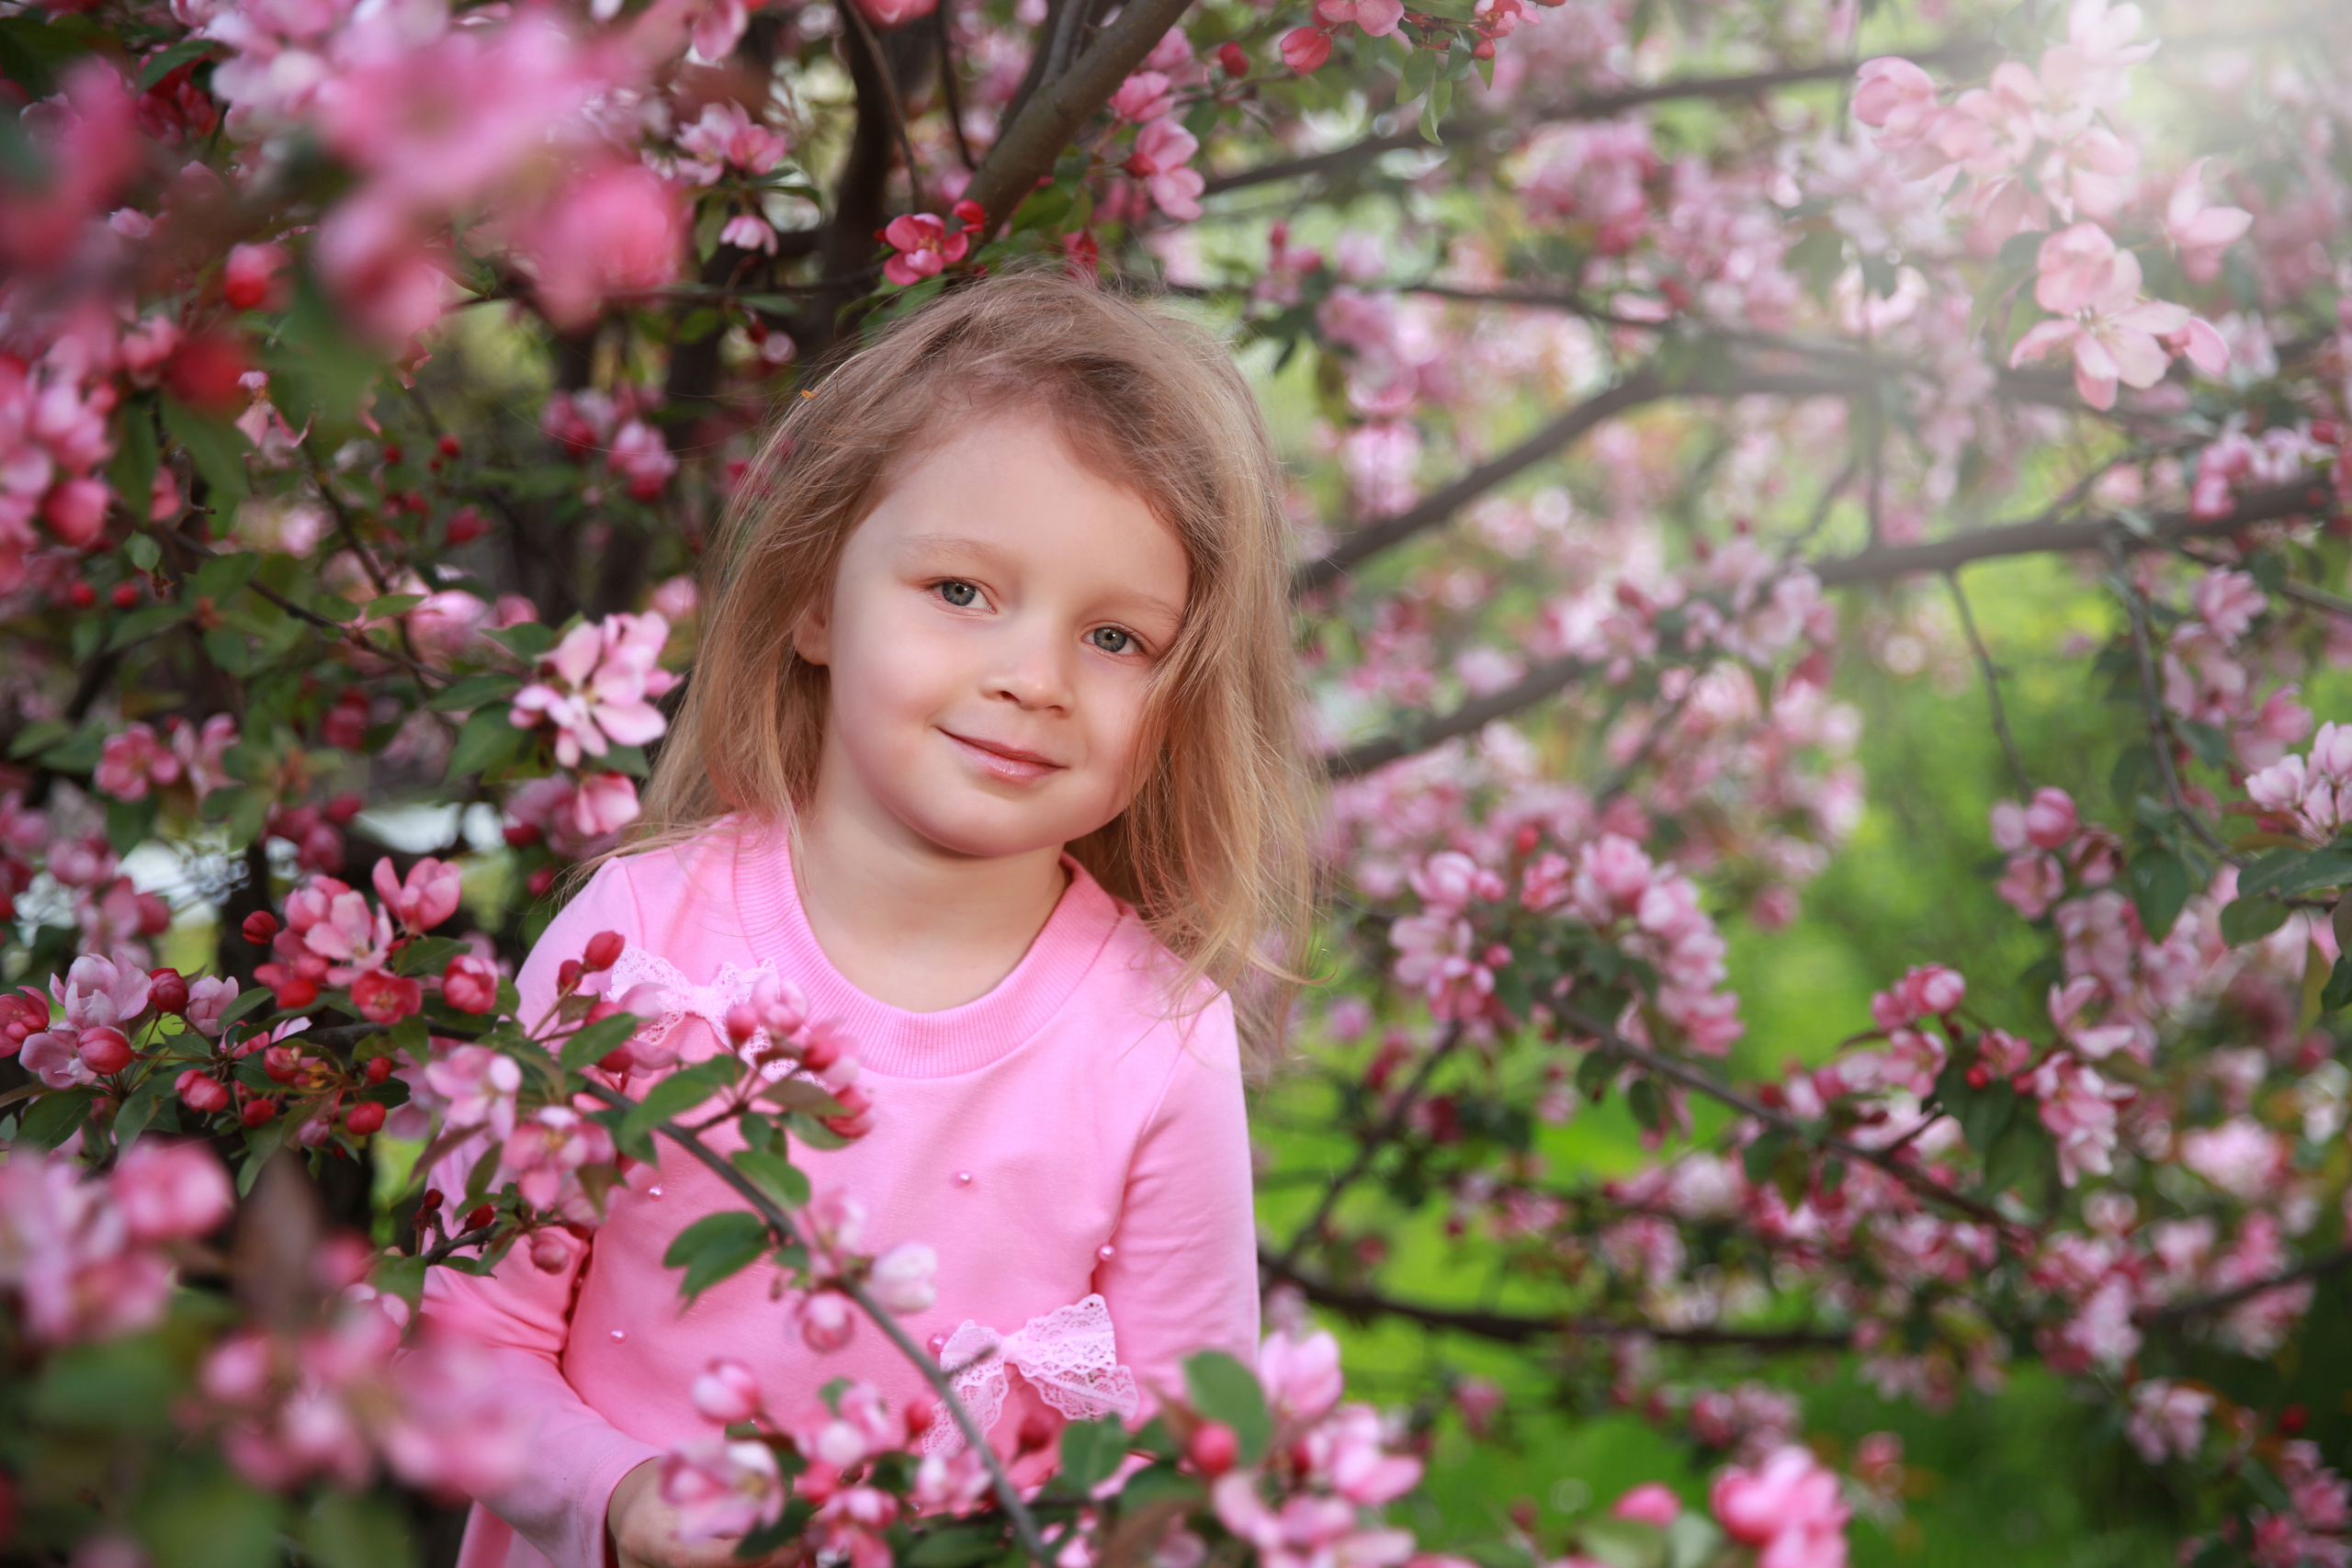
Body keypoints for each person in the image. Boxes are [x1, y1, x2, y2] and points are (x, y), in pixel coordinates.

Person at [417, 265, 1317, 1568]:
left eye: (1117, 640)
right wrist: (622, 1501)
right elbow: (469, 1337)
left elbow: (1184, 1474)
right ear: (812, 597)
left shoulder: (1154, 1043)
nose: (1032, 679)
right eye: (961, 592)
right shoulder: (643, 943)